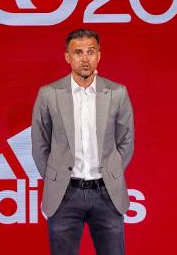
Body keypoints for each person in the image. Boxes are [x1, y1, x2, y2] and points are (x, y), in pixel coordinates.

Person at [31, 28, 135, 255]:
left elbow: (126, 141)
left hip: (107, 194)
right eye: (78, 52)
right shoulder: (49, 94)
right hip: (64, 195)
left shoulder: (117, 93)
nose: (84, 58)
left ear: (99, 55)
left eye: (90, 51)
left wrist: (111, 173)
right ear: (67, 57)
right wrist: (55, 177)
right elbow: (40, 144)